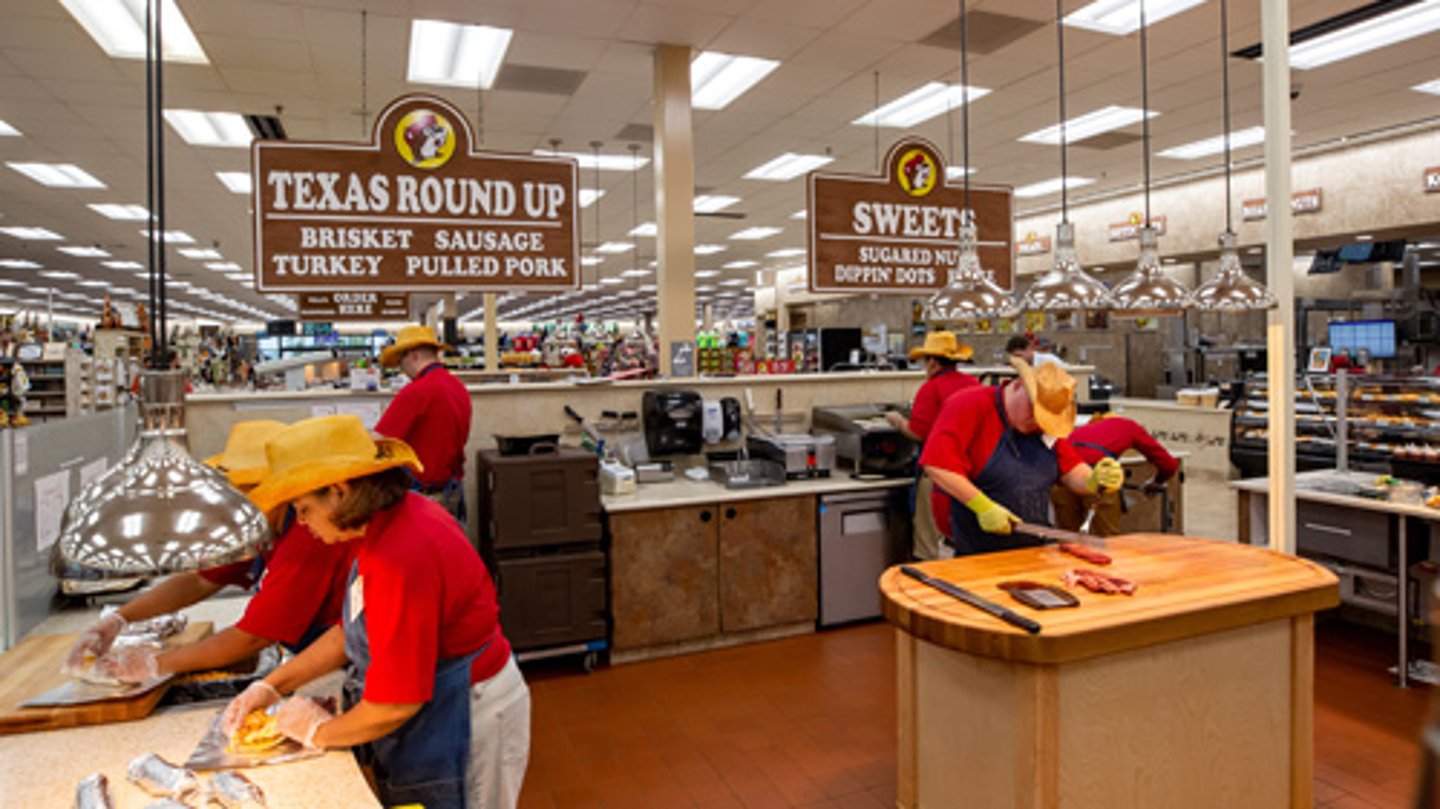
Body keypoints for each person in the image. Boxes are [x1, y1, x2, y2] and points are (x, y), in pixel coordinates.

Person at [221, 415, 528, 809]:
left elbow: (396, 703)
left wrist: (320, 732)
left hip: (470, 712)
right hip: (435, 706)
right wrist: (270, 686)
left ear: (338, 492)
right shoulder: (375, 529)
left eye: (303, 509)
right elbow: (350, 631)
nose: (300, 522)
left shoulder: (399, 556)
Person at [69, 421, 356, 680]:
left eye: (245, 493)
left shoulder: (311, 536)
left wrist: (156, 663)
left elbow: (252, 638)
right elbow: (201, 579)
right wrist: (119, 619)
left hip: (345, 667)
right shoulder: (264, 526)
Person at [921, 358, 1124, 556]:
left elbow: (1071, 471)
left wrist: (1093, 480)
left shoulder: (1042, 428)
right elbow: (937, 464)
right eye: (1034, 411)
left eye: (1045, 419)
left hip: (1035, 551)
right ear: (1018, 386)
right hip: (975, 552)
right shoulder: (969, 404)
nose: (1038, 422)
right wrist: (983, 506)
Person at [885, 331, 979, 560]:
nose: (924, 366)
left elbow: (918, 433)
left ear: (934, 362)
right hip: (972, 473)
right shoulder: (974, 384)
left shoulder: (931, 388)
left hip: (939, 475)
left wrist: (898, 422)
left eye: (925, 361)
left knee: (929, 544)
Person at [376, 323, 473, 523]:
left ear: (414, 355)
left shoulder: (416, 391)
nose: (402, 369)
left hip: (424, 497)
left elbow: (380, 442)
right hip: (453, 491)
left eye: (401, 360)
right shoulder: (458, 387)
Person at [1051, 413, 1179, 537]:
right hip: (1099, 478)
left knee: (1067, 540)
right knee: (1109, 541)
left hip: (1063, 480)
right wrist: (1157, 481)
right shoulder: (1129, 426)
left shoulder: (1084, 428)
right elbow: (1169, 464)